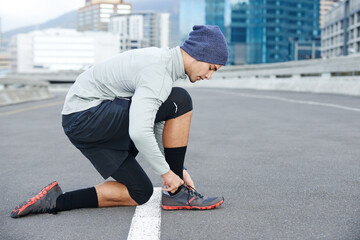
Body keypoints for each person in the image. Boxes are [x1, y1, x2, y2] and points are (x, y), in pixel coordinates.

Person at [11, 25, 228, 218]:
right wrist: (168, 174)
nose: (208, 76)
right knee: (181, 100)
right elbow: (140, 131)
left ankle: (54, 201)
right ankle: (178, 194)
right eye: (211, 68)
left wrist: (179, 170)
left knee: (139, 192)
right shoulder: (158, 70)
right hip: (87, 115)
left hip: (84, 126)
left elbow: (158, 123)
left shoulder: (164, 66)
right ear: (198, 54)